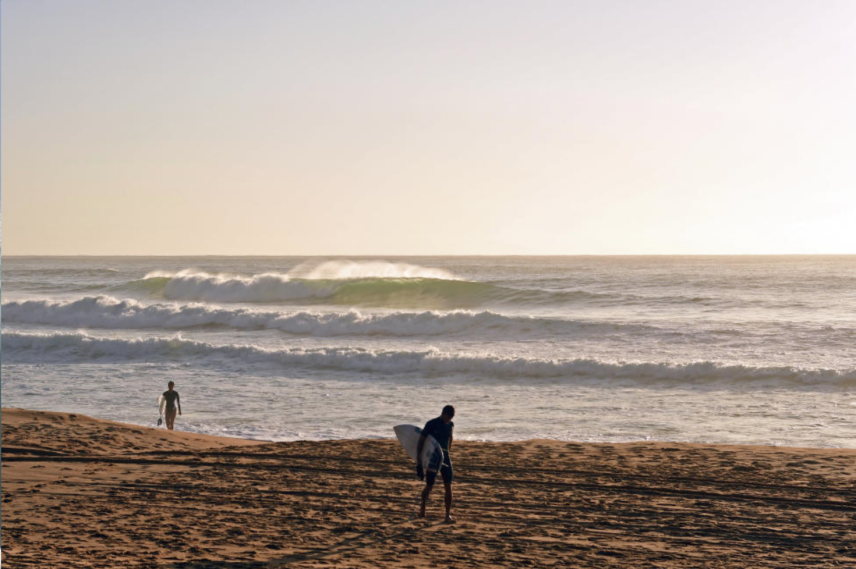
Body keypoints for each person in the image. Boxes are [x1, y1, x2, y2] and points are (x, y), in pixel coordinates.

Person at [416, 405, 455, 523]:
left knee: (448, 485)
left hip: (445, 458)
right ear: (443, 413)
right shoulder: (431, 424)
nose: (449, 419)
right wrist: (419, 462)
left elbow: (450, 438)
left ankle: (447, 515)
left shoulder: (451, 425)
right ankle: (422, 509)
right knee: (429, 485)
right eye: (448, 416)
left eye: (452, 417)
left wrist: (448, 451)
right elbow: (421, 441)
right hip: (433, 458)